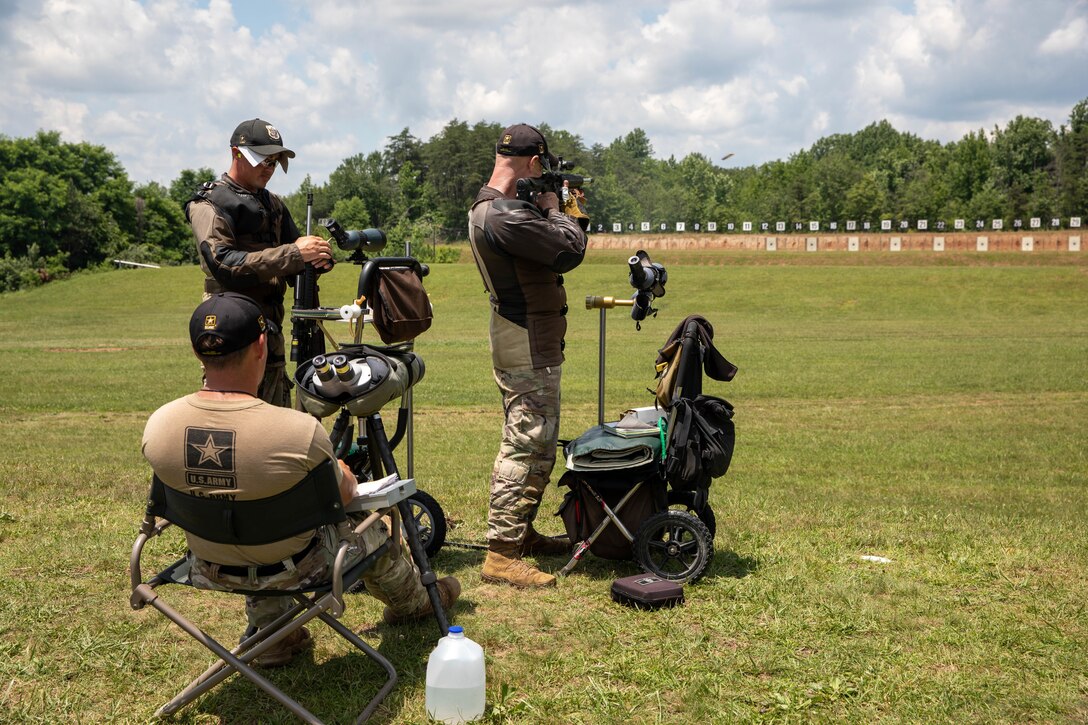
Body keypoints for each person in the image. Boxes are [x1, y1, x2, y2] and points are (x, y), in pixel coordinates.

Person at [141, 293, 459, 667]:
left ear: (198, 353)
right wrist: (338, 468)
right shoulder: (295, 431)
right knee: (372, 525)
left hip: (207, 561)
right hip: (296, 566)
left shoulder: (160, 424)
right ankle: (413, 604)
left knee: (251, 522)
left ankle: (271, 635)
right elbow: (346, 492)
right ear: (262, 345)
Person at [467, 124, 589, 588]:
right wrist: (559, 208)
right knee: (525, 444)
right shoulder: (504, 216)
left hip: (523, 336)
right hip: (524, 341)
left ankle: (521, 534)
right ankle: (501, 554)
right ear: (534, 163)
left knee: (536, 442)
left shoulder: (495, 207)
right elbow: (569, 250)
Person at [185, 118, 335, 407]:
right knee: (234, 417)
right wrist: (295, 254)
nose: (268, 169)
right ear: (236, 154)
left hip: (271, 330)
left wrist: (318, 257)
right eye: (262, 161)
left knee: (277, 420)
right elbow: (225, 265)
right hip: (230, 331)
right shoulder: (209, 203)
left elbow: (296, 256)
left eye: (274, 163)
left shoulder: (273, 203)